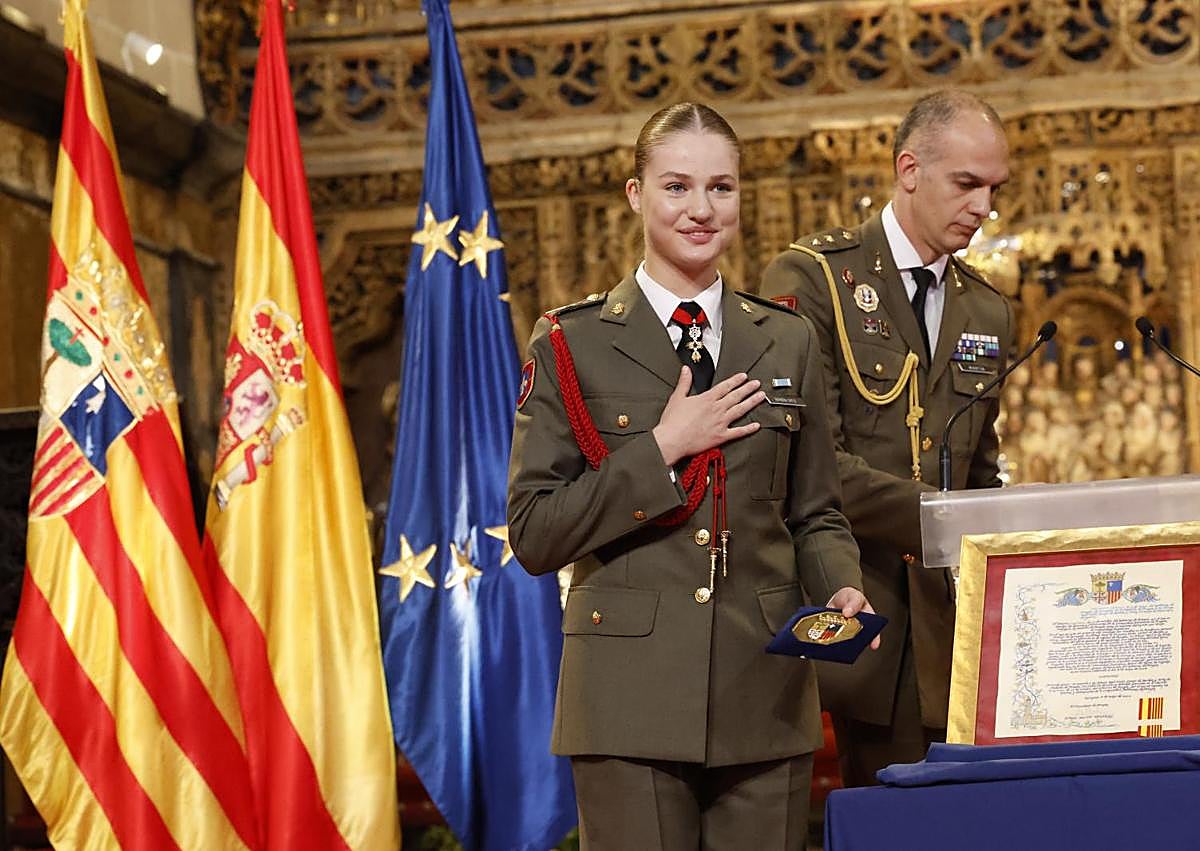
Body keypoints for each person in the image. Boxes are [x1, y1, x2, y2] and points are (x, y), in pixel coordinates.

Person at [508, 102, 877, 850]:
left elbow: (815, 513)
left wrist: (840, 583)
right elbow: (535, 532)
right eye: (677, 187)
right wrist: (662, 448)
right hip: (626, 699)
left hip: (764, 690)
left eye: (721, 188)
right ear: (636, 194)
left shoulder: (787, 339)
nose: (701, 210)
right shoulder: (572, 342)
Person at [761, 90, 1015, 787]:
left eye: (994, 189)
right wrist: (948, 517)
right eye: (966, 184)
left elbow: (980, 470)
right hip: (858, 610)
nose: (983, 207)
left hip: (958, 629)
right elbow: (807, 464)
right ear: (909, 170)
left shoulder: (987, 309)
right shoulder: (815, 279)